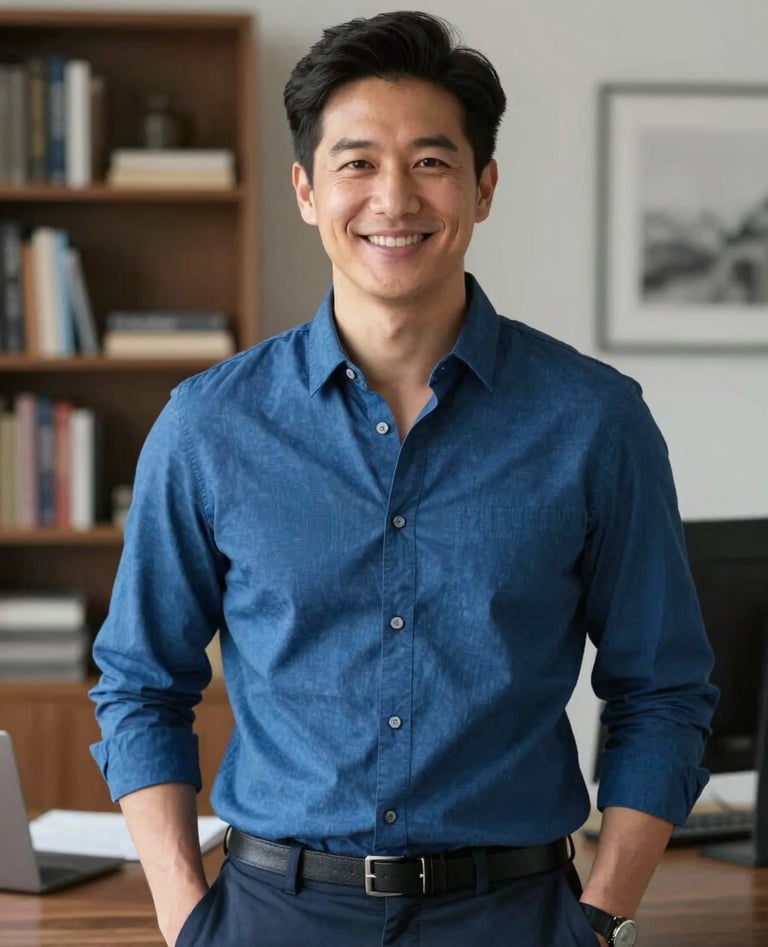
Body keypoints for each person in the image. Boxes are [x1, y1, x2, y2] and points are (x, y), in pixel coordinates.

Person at [90, 11, 717, 947]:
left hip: (519, 914)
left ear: (483, 186)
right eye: (356, 163)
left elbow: (663, 688)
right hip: (271, 913)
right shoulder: (209, 425)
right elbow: (141, 682)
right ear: (306, 190)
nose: (394, 198)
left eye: (430, 162)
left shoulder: (595, 422)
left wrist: (601, 916)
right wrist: (187, 918)